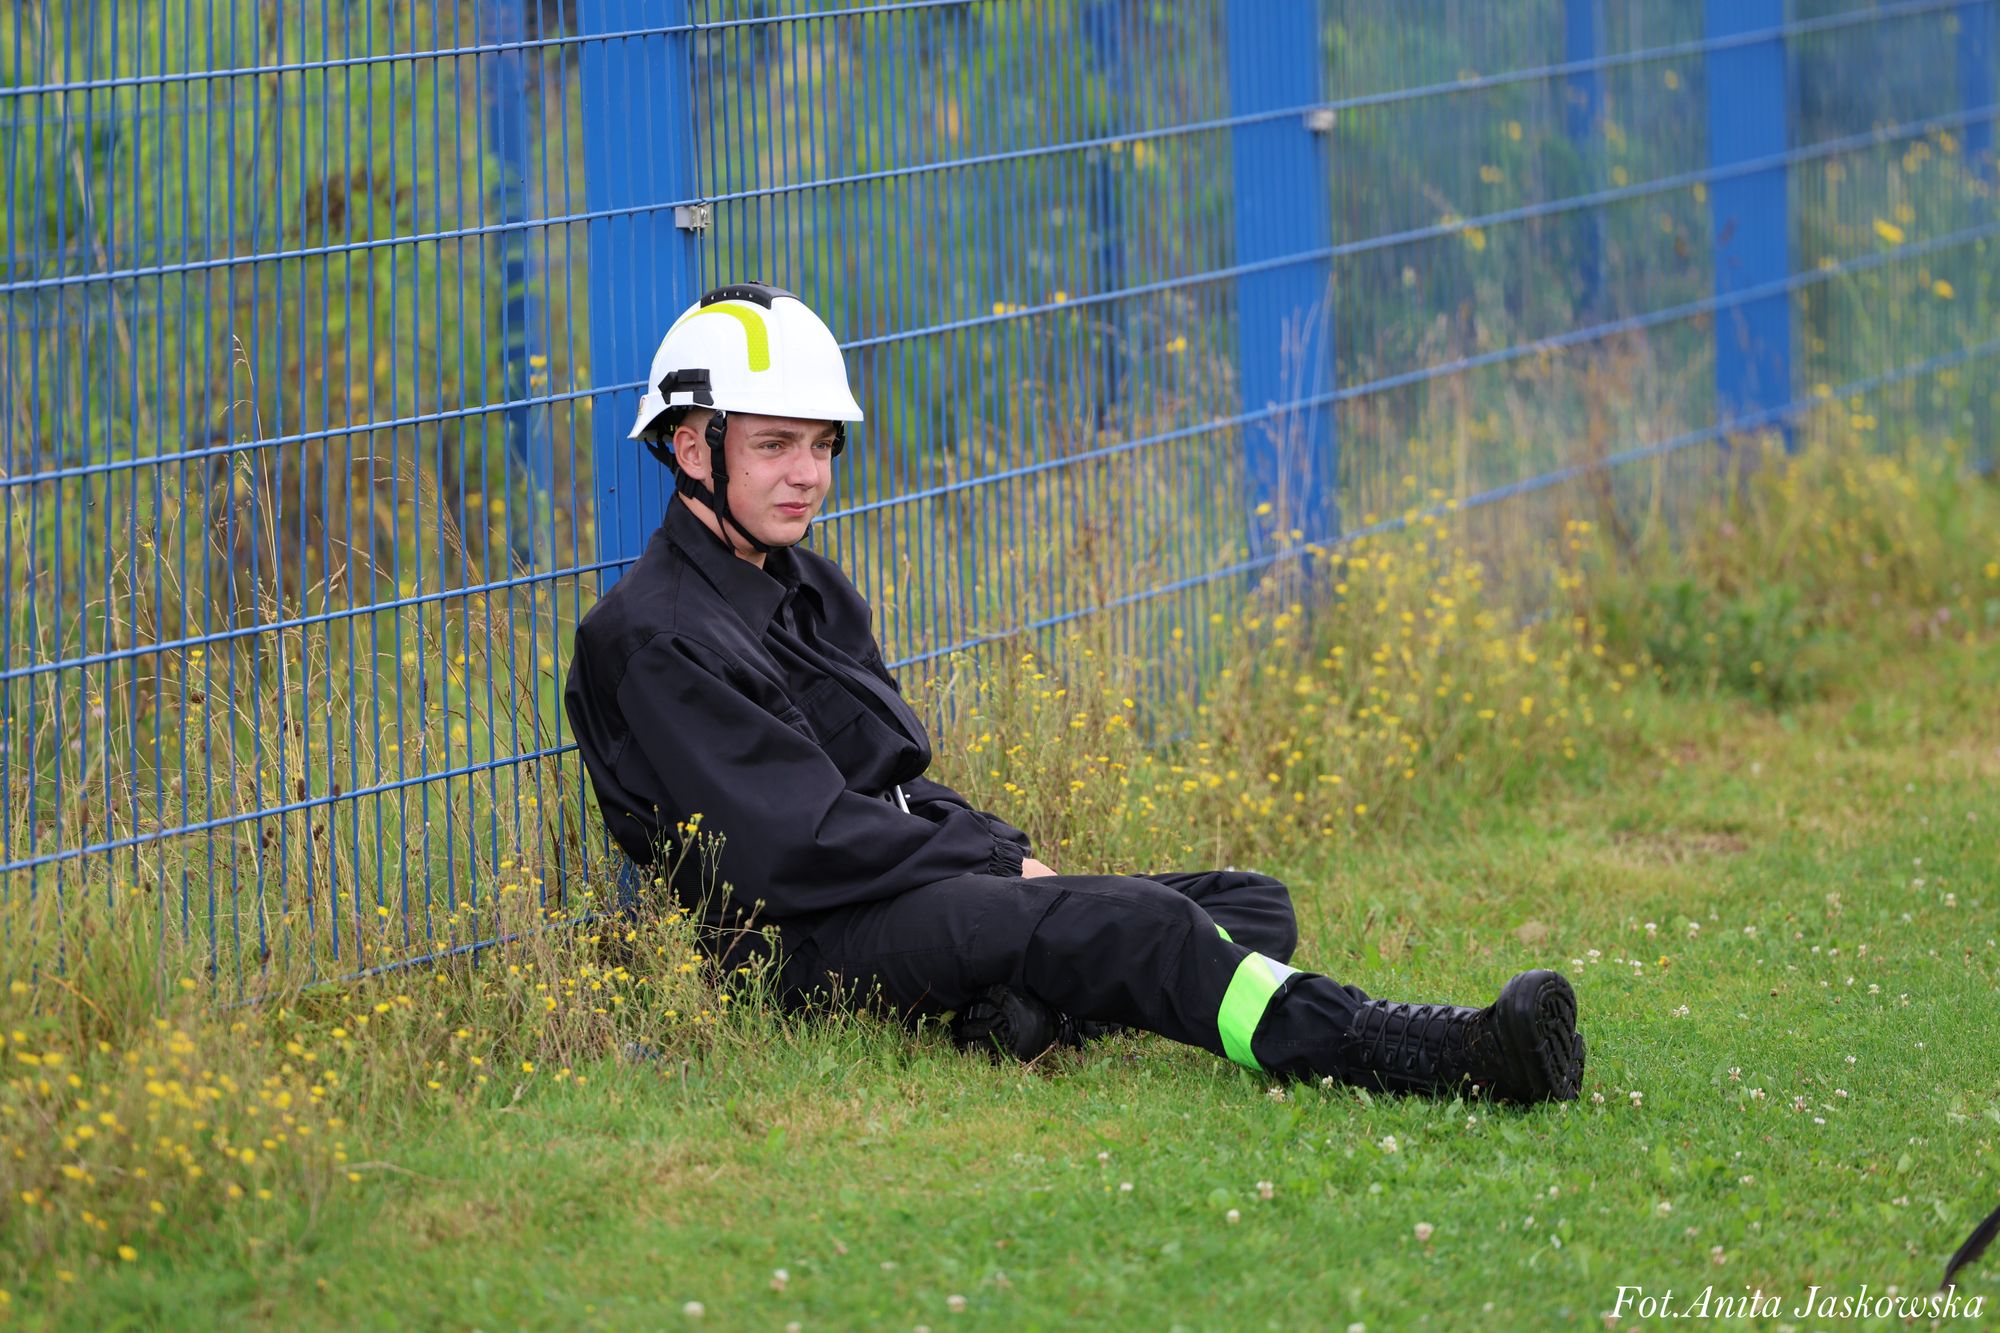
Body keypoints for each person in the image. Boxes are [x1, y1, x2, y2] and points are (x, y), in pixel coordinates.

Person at [563, 281, 1587, 1102]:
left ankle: (1018, 1014)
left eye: (821, 444)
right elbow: (799, 845)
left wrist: (1000, 853)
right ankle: (1427, 1053)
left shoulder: (802, 584)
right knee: (1140, 927)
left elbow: (894, 786)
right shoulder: (650, 635)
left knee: (1244, 903)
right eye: (774, 445)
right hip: (803, 951)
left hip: (895, 894)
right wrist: (1000, 865)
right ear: (692, 448)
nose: (807, 475)